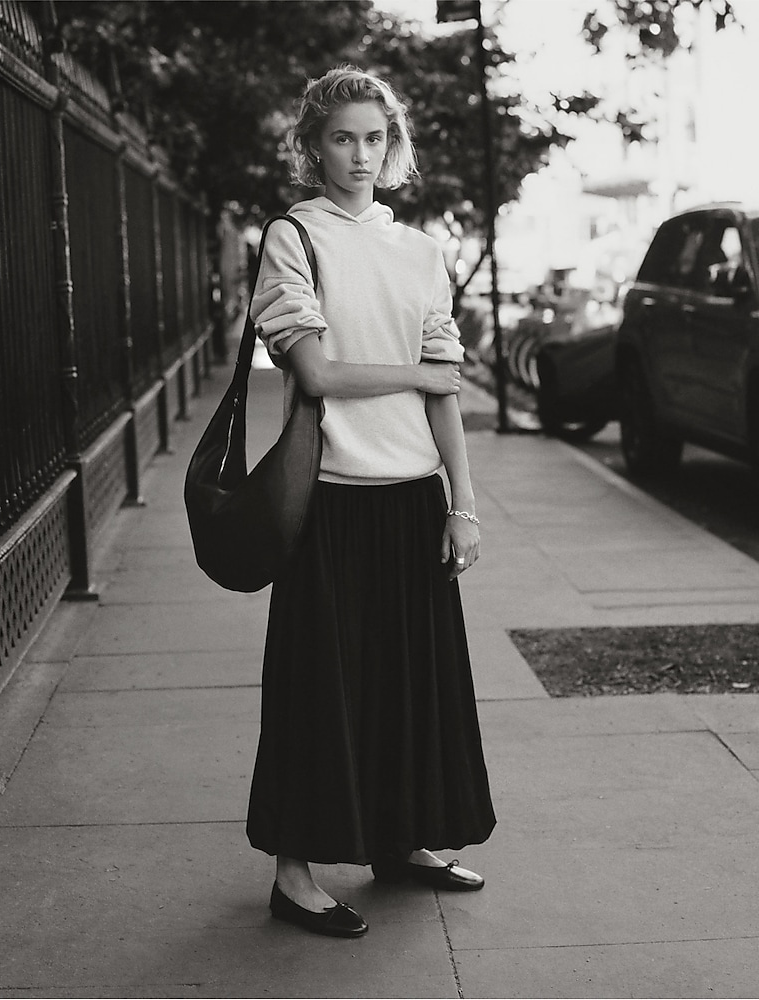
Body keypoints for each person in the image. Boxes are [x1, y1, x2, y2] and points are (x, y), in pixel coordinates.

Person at [248, 66, 495, 939]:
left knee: (411, 683)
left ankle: (402, 842)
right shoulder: (293, 238)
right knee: (322, 688)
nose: (360, 154)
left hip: (411, 496)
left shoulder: (420, 251)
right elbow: (314, 372)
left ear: (394, 146)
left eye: (375, 137)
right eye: (343, 137)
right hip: (327, 499)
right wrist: (421, 371)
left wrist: (462, 504)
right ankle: (294, 874)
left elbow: (445, 395)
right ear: (313, 146)